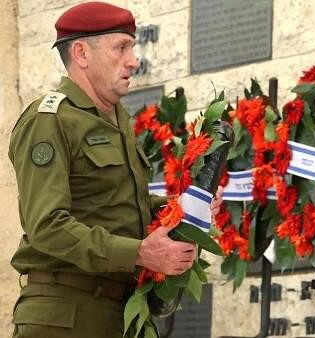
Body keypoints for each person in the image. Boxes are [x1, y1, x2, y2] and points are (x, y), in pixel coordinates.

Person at [9, 2, 222, 337]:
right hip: (67, 314)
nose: (133, 61)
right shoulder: (50, 120)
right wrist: (139, 252)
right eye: (121, 47)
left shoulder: (117, 120)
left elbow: (118, 208)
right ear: (81, 53)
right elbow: (47, 226)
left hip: (121, 311)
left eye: (133, 48)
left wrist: (185, 209)